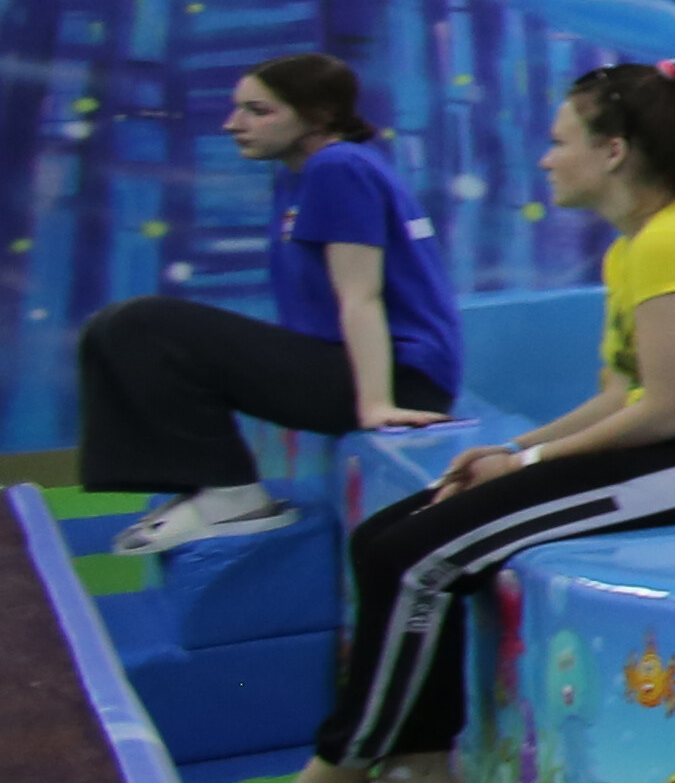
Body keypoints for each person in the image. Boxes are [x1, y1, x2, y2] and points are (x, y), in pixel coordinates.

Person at [216, 64, 675, 783]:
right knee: (385, 537)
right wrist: (515, 451)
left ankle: (328, 780)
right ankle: (420, 765)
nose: (545, 159)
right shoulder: (639, 246)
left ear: (613, 151)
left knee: (423, 559)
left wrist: (532, 460)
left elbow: (671, 409)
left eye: (558, 141)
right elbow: (620, 395)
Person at [86, 51, 461, 552]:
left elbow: (362, 295)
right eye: (237, 108)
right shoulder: (299, 172)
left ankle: (231, 494)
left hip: (396, 379)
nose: (232, 124)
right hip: (350, 366)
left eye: (258, 111)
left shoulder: (339, 167)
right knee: (108, 327)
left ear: (319, 116)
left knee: (143, 323)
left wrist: (376, 405)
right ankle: (203, 487)